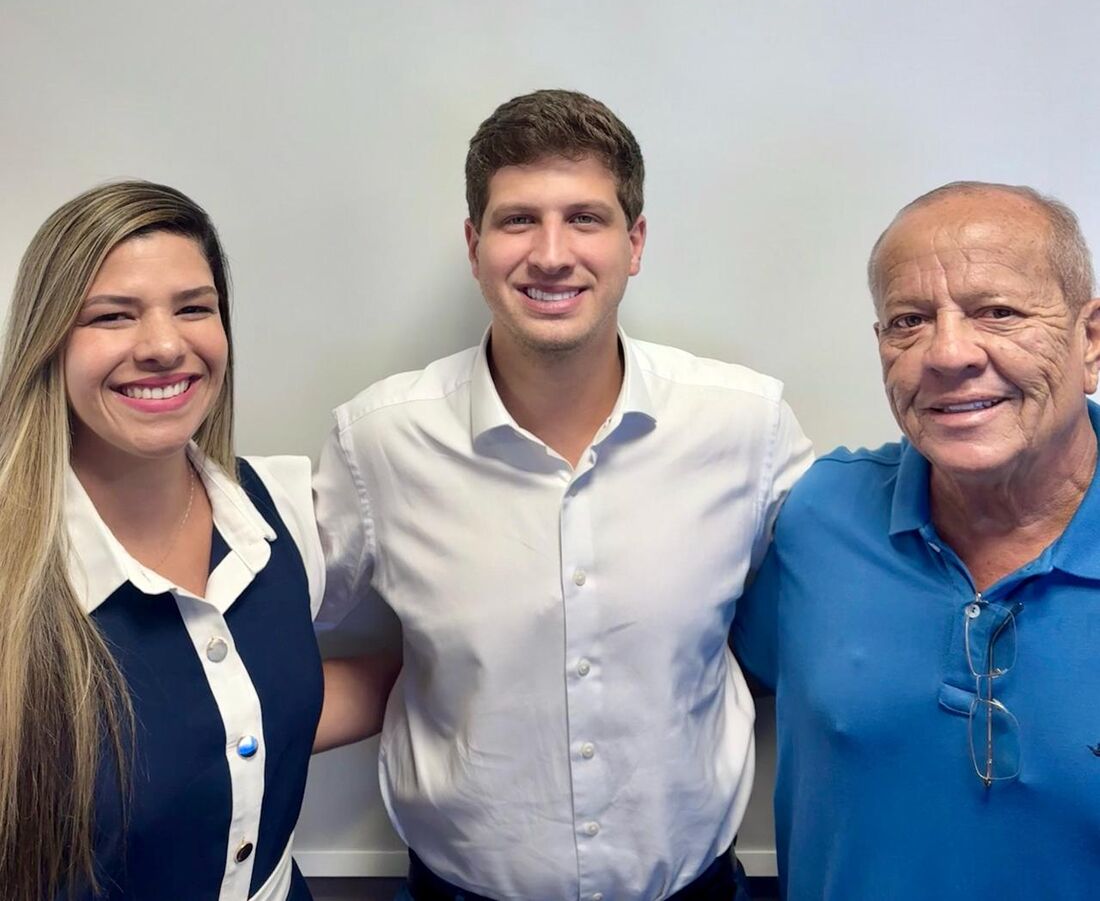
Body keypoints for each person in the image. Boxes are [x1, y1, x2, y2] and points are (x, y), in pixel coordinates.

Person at [314, 89, 812, 901]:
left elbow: (837, 609)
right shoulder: (378, 441)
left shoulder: (746, 425)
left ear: (634, 242)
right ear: (474, 246)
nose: (551, 253)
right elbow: (260, 628)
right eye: (517, 220)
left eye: (586, 217)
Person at [0, 180, 374, 901]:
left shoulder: (282, 510)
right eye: (112, 315)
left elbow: (262, 707)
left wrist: (469, 666)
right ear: (49, 341)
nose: (165, 345)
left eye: (194, 307)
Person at [733, 181, 1100, 899]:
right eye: (909, 320)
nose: (949, 352)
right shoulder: (821, 516)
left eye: (997, 311)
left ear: (1091, 338)